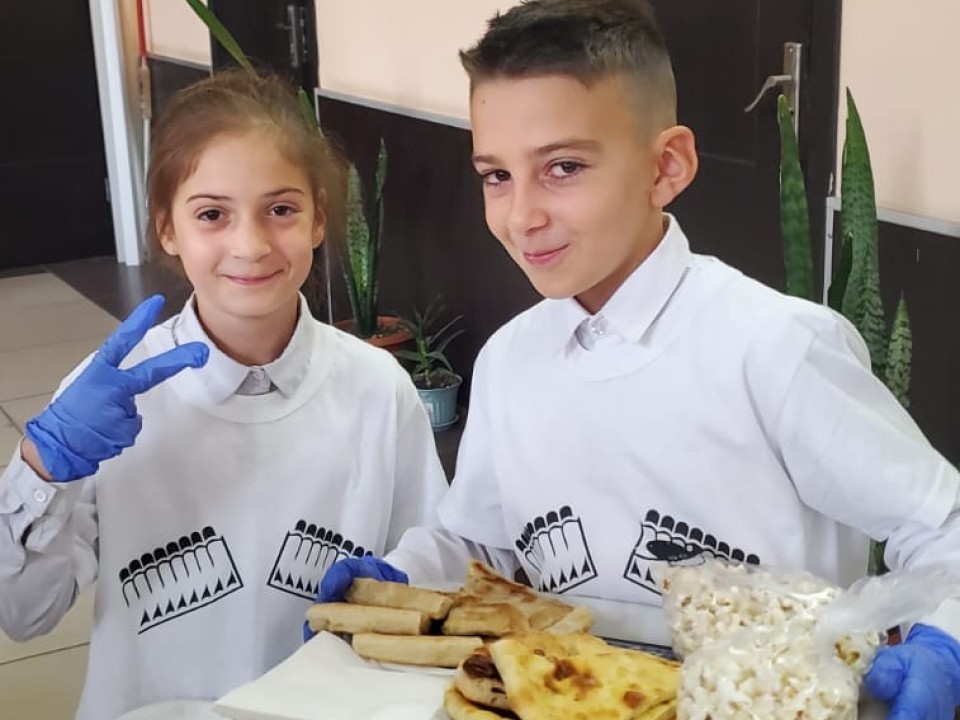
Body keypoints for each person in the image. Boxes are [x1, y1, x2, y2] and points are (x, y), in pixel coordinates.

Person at [314, 1, 960, 718]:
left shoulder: (776, 349)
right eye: (496, 175)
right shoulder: (509, 361)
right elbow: (481, 544)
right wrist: (401, 573)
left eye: (563, 167)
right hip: (571, 697)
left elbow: (943, 523)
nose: (521, 215)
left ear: (666, 166)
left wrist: (946, 638)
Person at [0, 70, 447, 720]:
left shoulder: (378, 388)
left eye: (281, 209)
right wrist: (39, 468)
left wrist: (409, 582)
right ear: (168, 229)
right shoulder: (105, 402)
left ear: (319, 219)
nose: (251, 245)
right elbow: (24, 615)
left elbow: (433, 571)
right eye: (212, 214)